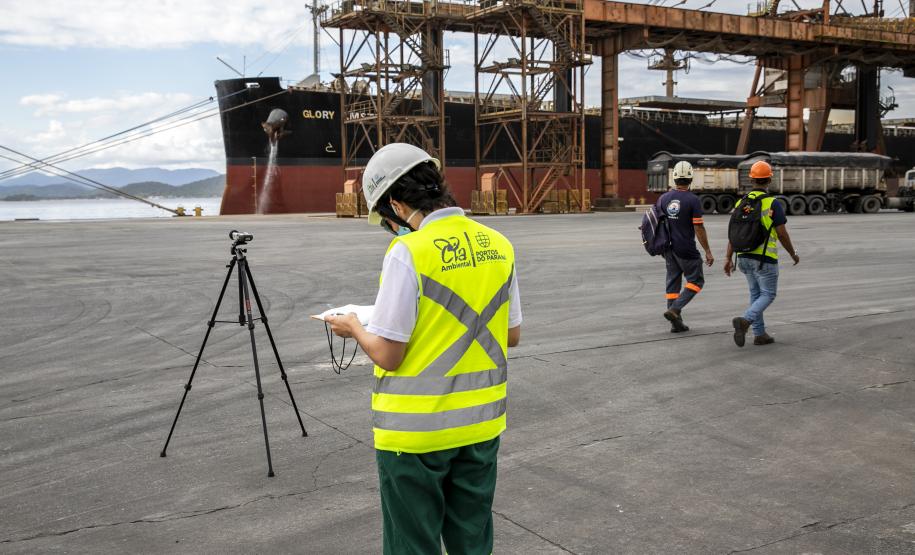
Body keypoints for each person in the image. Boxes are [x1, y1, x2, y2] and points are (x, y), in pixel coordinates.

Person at [325, 143, 522, 555]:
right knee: (472, 542)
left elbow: (389, 354)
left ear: (396, 204)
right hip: (481, 426)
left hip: (415, 435)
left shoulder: (408, 252)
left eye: (386, 218)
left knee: (412, 545)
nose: (389, 226)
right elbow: (511, 335)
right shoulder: (499, 244)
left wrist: (354, 327)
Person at [724, 160, 800, 347]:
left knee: (756, 294)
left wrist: (728, 257)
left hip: (743, 257)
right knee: (768, 294)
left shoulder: (741, 202)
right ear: (769, 180)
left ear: (751, 180)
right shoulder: (772, 203)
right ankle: (745, 320)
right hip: (764, 259)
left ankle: (759, 334)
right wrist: (793, 253)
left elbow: (734, 232)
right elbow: (782, 233)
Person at [656, 161, 714, 333]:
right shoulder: (692, 200)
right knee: (696, 281)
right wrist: (708, 251)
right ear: (691, 178)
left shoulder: (663, 198)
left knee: (672, 285)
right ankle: (675, 309)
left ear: (674, 177)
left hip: (668, 248)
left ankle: (676, 324)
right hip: (686, 249)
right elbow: (698, 227)